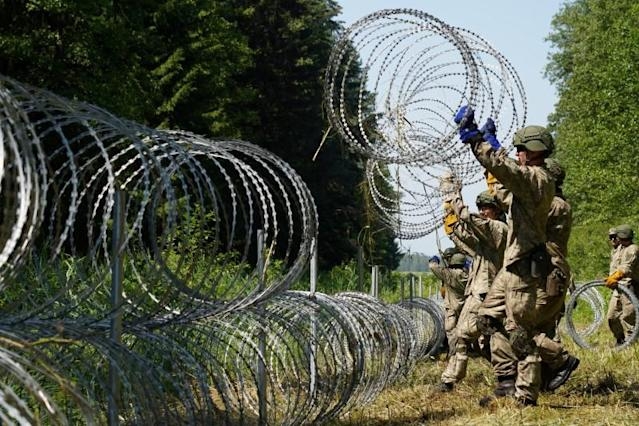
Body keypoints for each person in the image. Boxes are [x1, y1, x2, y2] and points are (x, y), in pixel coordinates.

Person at [455, 106, 555, 406]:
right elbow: (504, 185)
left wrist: (477, 142)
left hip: (525, 268)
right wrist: (493, 147)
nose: (518, 153)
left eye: (520, 149)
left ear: (532, 150)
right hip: (513, 266)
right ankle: (506, 380)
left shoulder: (536, 178)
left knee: (520, 332)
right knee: (487, 318)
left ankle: (526, 396)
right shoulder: (530, 181)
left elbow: (507, 170)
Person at [438, 190, 507, 392]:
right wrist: (452, 224)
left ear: (497, 210)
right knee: (488, 342)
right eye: (481, 208)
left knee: (462, 335)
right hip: (481, 292)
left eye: (487, 208)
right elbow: (467, 238)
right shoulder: (486, 236)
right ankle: (511, 375)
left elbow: (472, 220)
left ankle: (449, 379)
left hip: (486, 294)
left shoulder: (499, 228)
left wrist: (453, 198)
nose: (483, 212)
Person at [429, 252, 469, 358]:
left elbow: (433, 266)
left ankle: (453, 355)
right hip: (465, 307)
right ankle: (464, 351)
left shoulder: (449, 274)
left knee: (451, 332)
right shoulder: (468, 274)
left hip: (451, 308)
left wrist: (435, 259)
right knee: (464, 332)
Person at [605, 224, 639, 345]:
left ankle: (632, 342)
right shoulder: (618, 250)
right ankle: (620, 340)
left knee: (628, 317)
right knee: (612, 317)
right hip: (617, 289)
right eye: (611, 237)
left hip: (630, 288)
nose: (613, 239)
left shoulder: (633, 249)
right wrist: (610, 278)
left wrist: (615, 277)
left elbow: (626, 268)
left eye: (615, 236)